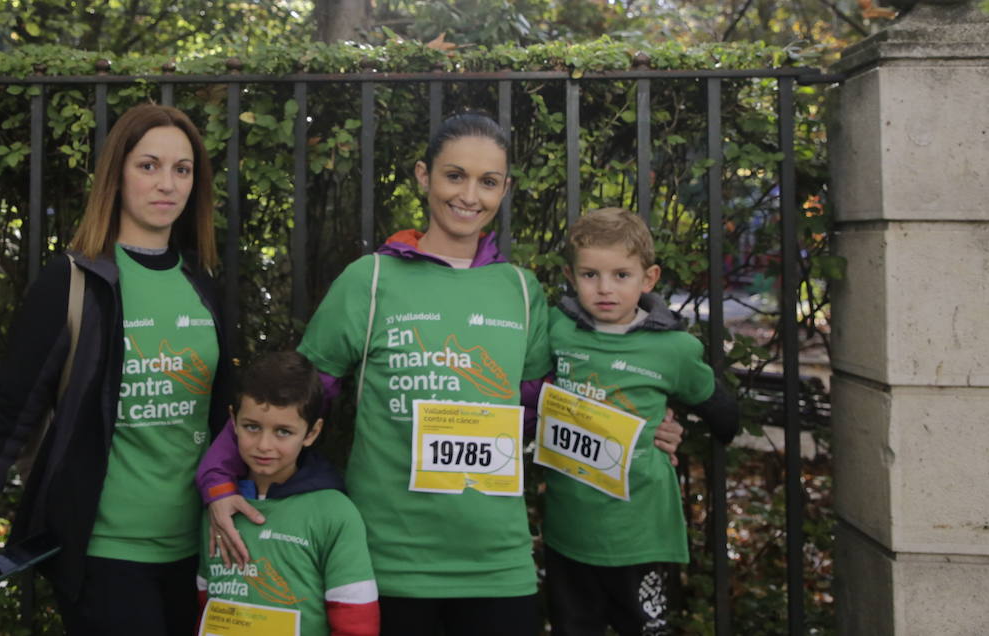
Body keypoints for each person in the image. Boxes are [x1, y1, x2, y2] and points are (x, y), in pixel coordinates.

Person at [202, 111, 555, 635]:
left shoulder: (523, 292)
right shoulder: (369, 281)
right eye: (454, 175)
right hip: (387, 565)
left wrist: (650, 428)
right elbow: (291, 398)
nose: (469, 196)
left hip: (498, 567)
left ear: (505, 188)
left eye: (488, 181)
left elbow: (540, 414)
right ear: (423, 175)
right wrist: (218, 480)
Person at [0, 102, 237, 636]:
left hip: (199, 555)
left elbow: (227, 419)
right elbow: (8, 415)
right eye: (148, 165)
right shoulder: (72, 284)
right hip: (104, 556)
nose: (166, 183)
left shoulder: (202, 284)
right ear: (116, 175)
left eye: (181, 169)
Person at [537, 207, 739, 636]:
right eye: (590, 275)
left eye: (621, 275)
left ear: (648, 279)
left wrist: (677, 422)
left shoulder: (674, 350)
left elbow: (724, 415)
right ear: (571, 278)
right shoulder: (557, 330)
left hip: (640, 532)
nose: (605, 288)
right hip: (568, 530)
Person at [195, 350, 379, 636]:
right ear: (233, 422)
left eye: (283, 432)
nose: (264, 445)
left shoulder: (334, 512)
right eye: (252, 427)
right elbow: (206, 604)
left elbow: (356, 620)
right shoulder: (219, 511)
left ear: (312, 433)